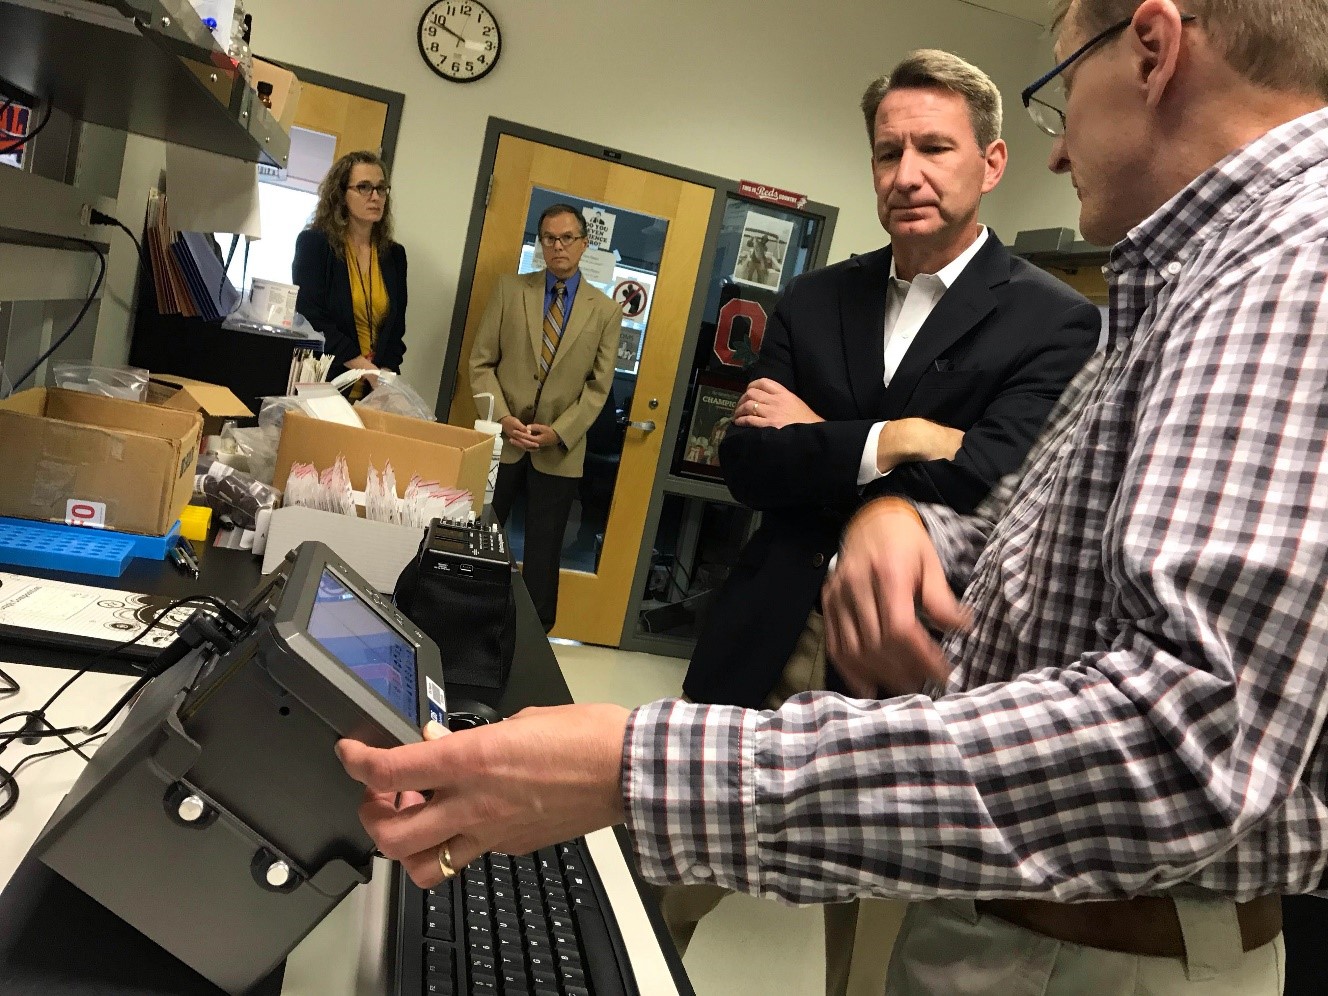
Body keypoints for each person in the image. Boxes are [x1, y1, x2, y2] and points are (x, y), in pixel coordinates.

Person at [338, 2, 1328, 993]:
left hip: (1074, 917)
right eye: (886, 149)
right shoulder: (1175, 282)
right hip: (849, 718)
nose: (1060, 150)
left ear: (1150, 50)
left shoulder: (1281, 279)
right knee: (633, 922)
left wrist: (629, 764)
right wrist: (913, 515)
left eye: (1054, 97)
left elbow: (1181, 746)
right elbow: (815, 474)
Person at [671, 50, 1100, 994]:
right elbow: (744, 464)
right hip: (765, 640)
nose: (906, 173)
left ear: (991, 163)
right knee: (660, 886)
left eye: (934, 148)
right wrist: (901, 438)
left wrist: (822, 439)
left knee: (869, 961)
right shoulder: (818, 296)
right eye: (887, 150)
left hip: (905, 667)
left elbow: (996, 478)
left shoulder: (1055, 321)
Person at [467, 205, 622, 632]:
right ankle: (466, 620)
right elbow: (480, 363)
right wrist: (500, 418)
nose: (559, 246)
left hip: (559, 453)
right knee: (479, 538)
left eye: (568, 237)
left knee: (543, 554)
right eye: (550, 238)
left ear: (583, 243)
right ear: (541, 243)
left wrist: (561, 431)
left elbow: (598, 386)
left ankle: (531, 640)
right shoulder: (509, 290)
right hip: (503, 443)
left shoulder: (605, 312)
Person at [293, 151, 408, 384]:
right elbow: (312, 319)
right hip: (326, 381)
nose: (375, 197)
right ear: (341, 194)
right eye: (364, 187)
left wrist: (383, 378)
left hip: (375, 388)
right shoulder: (315, 244)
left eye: (381, 188)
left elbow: (396, 331)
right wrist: (365, 369)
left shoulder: (394, 256)